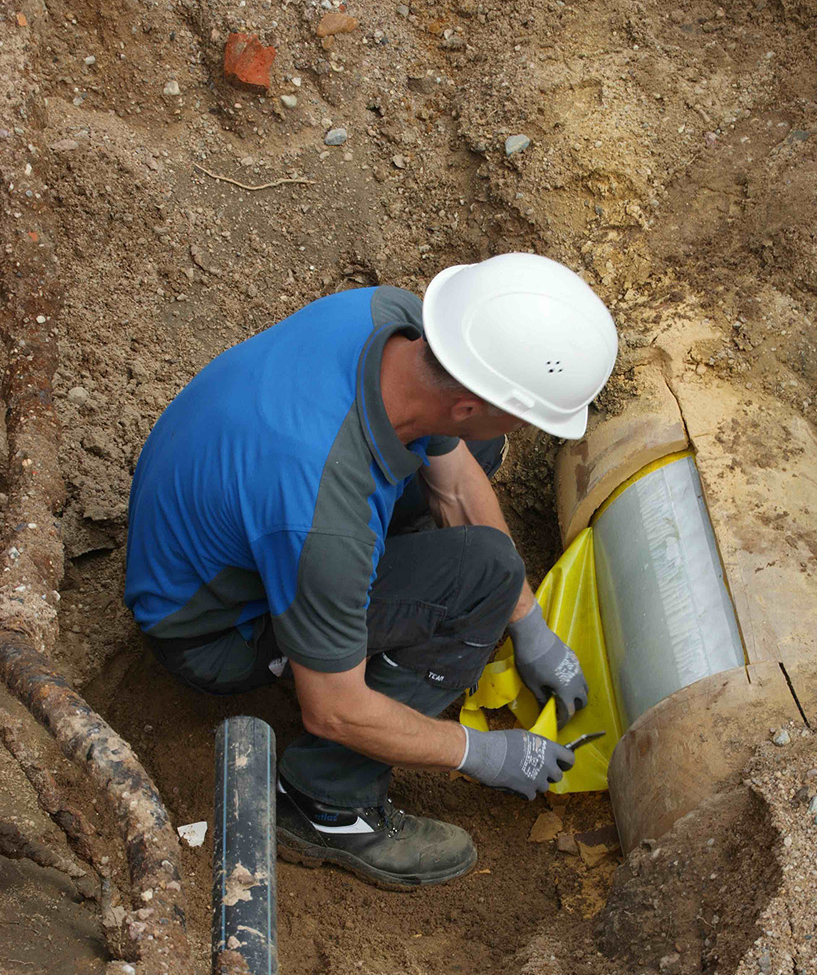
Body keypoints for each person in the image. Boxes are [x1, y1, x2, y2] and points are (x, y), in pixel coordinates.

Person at [125, 253, 618, 891]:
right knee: (483, 577)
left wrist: (530, 624)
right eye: (526, 412)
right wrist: (481, 753)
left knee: (481, 454)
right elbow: (334, 710)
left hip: (237, 516)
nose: (528, 429)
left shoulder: (392, 318)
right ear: (467, 402)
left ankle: (361, 619)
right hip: (212, 630)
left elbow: (456, 478)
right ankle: (325, 804)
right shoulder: (323, 521)